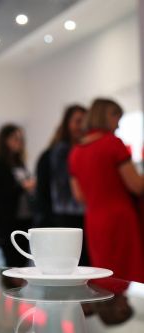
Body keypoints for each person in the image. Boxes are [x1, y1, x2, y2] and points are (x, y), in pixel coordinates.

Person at [69, 98, 144, 282]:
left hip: (94, 220)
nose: (118, 124)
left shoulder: (76, 152)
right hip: (120, 219)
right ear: (106, 116)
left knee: (104, 277)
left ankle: (107, 311)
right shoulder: (112, 143)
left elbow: (79, 196)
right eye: (117, 117)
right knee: (129, 276)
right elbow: (136, 185)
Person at [35, 105, 90, 265]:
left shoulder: (87, 151)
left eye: (84, 121)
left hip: (88, 217)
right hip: (62, 222)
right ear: (67, 123)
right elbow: (43, 195)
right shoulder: (50, 156)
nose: (81, 126)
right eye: (77, 121)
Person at [0, 124, 35, 268]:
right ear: (4, 140)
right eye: (15, 138)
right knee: (12, 263)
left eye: (21, 138)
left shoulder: (20, 163)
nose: (19, 142)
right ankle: (11, 290)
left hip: (25, 218)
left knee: (24, 261)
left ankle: (21, 290)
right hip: (7, 220)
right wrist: (23, 187)